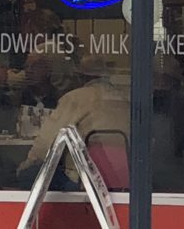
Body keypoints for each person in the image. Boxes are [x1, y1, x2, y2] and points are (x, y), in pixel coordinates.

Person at [17, 54, 130, 189]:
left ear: (79, 76)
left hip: (82, 182)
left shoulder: (75, 98)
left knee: (28, 175)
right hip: (124, 181)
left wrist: (25, 165)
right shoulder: (124, 100)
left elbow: (46, 144)